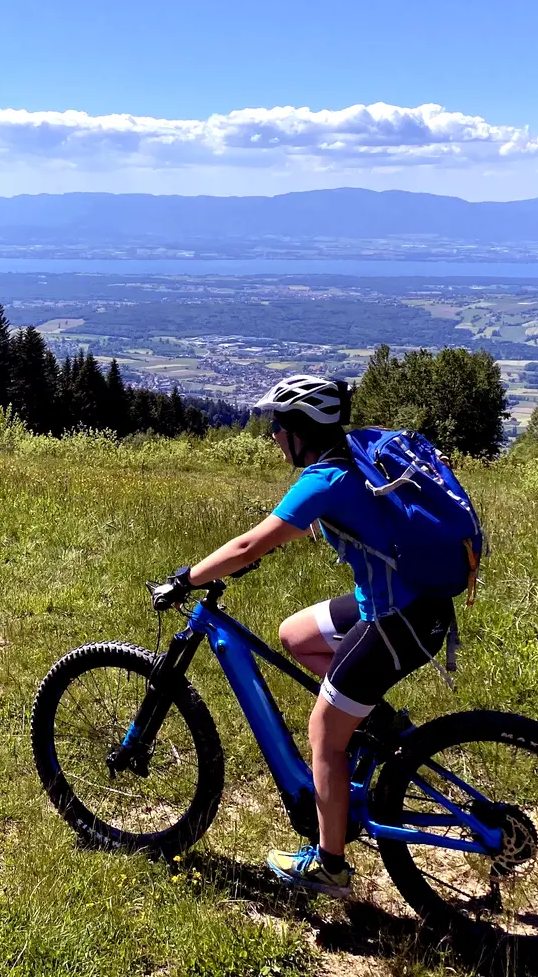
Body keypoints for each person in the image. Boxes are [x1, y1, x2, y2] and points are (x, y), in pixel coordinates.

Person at [150, 374, 458, 897]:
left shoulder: (326, 478)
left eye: (278, 426)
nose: (273, 436)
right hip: (406, 603)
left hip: (398, 621)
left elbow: (247, 545)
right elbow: (339, 521)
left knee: (323, 733)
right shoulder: (353, 454)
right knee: (294, 635)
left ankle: (330, 865)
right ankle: (372, 719)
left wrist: (186, 578)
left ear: (300, 430)